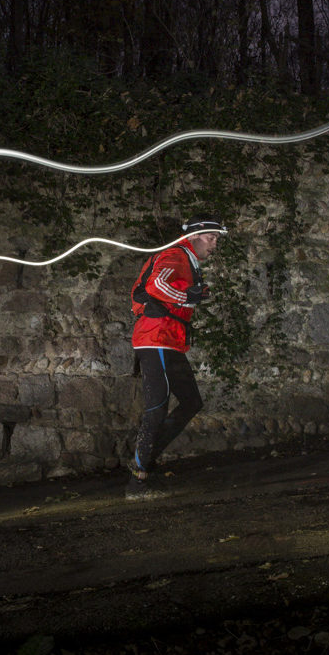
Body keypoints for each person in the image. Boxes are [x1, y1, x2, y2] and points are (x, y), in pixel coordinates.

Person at [126, 214, 227, 501]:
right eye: (211, 238)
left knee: (192, 402)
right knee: (156, 408)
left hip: (169, 341)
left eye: (216, 239)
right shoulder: (176, 254)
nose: (215, 244)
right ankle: (137, 481)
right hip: (155, 338)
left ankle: (143, 459)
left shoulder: (187, 260)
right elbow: (157, 286)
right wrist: (189, 296)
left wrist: (194, 292)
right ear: (194, 236)